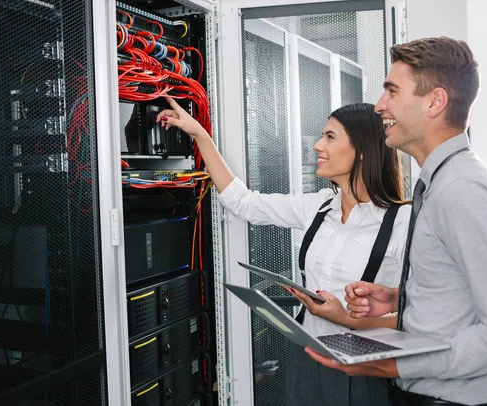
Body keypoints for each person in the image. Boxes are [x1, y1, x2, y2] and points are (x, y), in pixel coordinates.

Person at [304, 37, 487, 406]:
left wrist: (397, 364)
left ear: (435, 101)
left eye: (392, 92)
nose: (380, 106)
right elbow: (465, 292)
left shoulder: (463, 192)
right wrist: (403, 298)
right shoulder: (440, 182)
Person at [156, 99, 410, 405]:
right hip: (306, 356)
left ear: (363, 151)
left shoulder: (404, 222)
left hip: (365, 369)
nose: (317, 145)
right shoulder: (318, 207)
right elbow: (243, 202)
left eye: (330, 137)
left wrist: (346, 318)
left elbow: (418, 318)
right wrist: (199, 135)